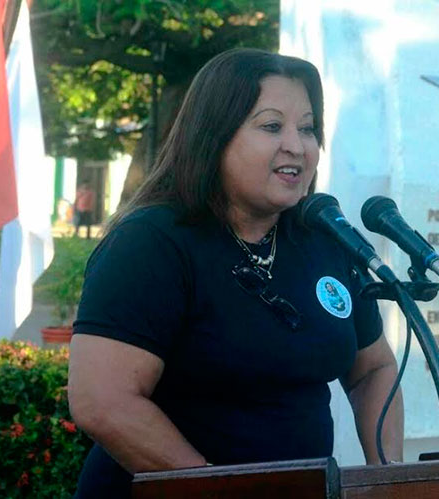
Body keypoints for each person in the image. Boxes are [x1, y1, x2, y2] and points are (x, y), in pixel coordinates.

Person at [67, 48, 404, 497]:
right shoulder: (152, 242)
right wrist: (217, 487)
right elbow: (102, 402)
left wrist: (390, 480)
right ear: (215, 135)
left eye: (307, 128)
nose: (296, 145)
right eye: (271, 126)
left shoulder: (321, 239)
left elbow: (373, 368)